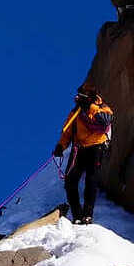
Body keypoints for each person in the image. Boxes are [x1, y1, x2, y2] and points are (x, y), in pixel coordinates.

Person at [53, 83, 115, 225]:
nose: (76, 98)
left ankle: (87, 214)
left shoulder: (101, 108)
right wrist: (60, 147)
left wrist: (89, 106)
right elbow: (67, 132)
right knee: (70, 181)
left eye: (80, 95)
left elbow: (105, 120)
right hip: (79, 148)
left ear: (88, 96)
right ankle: (77, 214)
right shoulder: (75, 112)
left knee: (91, 180)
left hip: (97, 146)